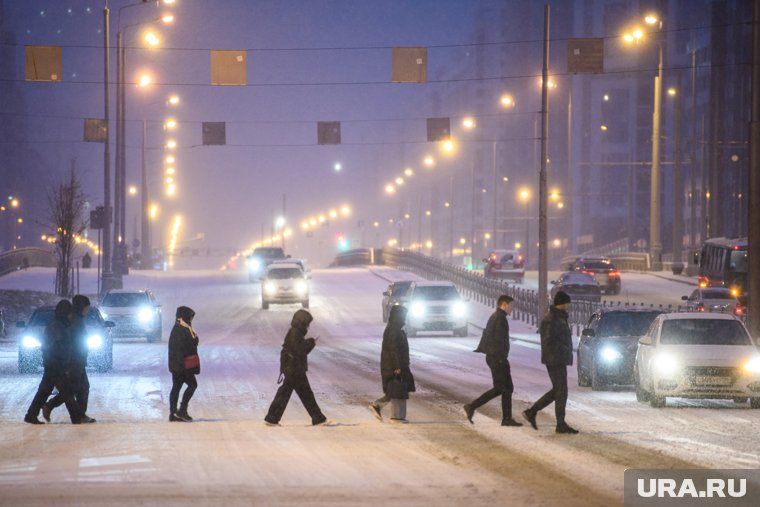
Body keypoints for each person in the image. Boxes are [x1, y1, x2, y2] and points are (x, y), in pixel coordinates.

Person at [522, 291, 579, 434]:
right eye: (568, 303)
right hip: (555, 359)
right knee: (561, 391)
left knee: (558, 391)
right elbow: (549, 340)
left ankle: (532, 412)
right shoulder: (552, 318)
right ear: (564, 303)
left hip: (558, 358)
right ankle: (559, 424)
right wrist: (562, 350)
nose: (569, 306)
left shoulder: (558, 317)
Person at [464, 295, 522, 427]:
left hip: (497, 357)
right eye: (511, 306)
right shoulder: (499, 318)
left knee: (507, 388)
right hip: (497, 358)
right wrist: (500, 356)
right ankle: (472, 406)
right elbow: (497, 340)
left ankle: (506, 418)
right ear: (504, 305)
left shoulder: (498, 317)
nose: (512, 309)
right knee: (501, 388)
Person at [264, 309, 327, 426]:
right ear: (302, 322)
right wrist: (311, 342)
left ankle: (272, 418)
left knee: (290, 393)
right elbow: (299, 350)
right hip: (294, 369)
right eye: (307, 323)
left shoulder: (296, 332)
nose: (308, 326)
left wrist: (310, 342)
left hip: (293, 368)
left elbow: (300, 349)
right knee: (301, 394)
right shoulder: (294, 333)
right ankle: (317, 418)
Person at [24, 300, 81, 424]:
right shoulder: (58, 326)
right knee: (68, 392)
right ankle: (76, 418)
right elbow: (59, 346)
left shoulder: (58, 325)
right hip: (56, 364)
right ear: (66, 313)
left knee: (44, 391)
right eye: (70, 313)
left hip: (52, 363)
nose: (71, 316)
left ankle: (31, 414)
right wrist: (64, 362)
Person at [43, 295, 96, 423]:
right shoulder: (74, 320)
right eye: (87, 307)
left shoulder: (76, 318)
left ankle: (54, 407)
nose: (87, 310)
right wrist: (70, 359)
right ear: (81, 306)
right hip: (73, 360)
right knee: (75, 388)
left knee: (79, 387)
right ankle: (74, 413)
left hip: (77, 359)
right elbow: (70, 341)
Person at [368, 304, 416, 423]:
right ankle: (396, 416)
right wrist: (397, 366)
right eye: (403, 316)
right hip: (394, 365)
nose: (405, 318)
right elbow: (394, 350)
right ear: (398, 316)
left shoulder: (394, 329)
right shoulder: (393, 330)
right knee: (397, 388)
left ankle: (382, 407)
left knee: (399, 388)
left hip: (397, 364)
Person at [168, 306, 199, 422]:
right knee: (191, 385)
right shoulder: (180, 329)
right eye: (190, 317)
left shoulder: (182, 327)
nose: (191, 320)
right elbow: (189, 344)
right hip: (180, 365)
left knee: (177, 387)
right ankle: (180, 411)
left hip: (179, 365)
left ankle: (175, 413)